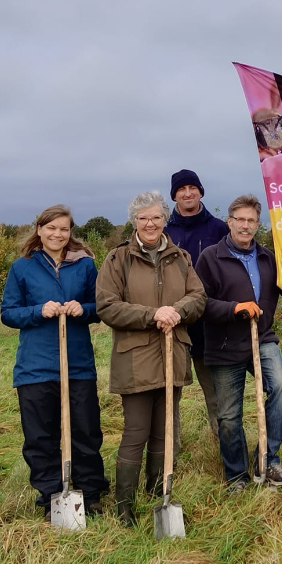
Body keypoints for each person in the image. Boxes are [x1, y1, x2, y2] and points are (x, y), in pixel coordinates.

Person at [95, 191, 206, 526]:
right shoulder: (118, 259)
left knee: (165, 431)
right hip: (136, 360)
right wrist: (152, 315)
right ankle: (124, 506)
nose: (150, 223)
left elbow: (198, 297)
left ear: (164, 220)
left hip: (173, 355)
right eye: (143, 218)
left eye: (156, 217)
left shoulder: (181, 257)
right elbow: (107, 306)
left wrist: (177, 311)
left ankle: (158, 493)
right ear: (134, 221)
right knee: (136, 431)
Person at [0, 205, 108, 520]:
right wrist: (37, 311)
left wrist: (82, 309)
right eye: (52, 228)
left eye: (64, 229)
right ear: (39, 230)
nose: (58, 234)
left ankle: (90, 493)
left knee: (85, 430)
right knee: (40, 436)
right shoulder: (22, 268)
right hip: (35, 367)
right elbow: (8, 312)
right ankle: (51, 495)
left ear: (70, 232)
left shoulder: (85, 265)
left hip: (77, 364)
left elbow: (100, 307)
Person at [195, 194, 282, 492]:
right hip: (224, 344)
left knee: (281, 385)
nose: (245, 225)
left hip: (262, 338)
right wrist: (234, 308)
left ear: (257, 224)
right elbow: (200, 303)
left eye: (251, 220)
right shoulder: (211, 258)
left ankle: (269, 458)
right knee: (228, 416)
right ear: (229, 222)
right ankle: (237, 475)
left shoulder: (267, 257)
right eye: (239, 219)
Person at [165, 169, 230, 441]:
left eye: (193, 187)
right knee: (169, 394)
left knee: (216, 394)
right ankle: (169, 455)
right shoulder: (164, 232)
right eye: (182, 189)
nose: (188, 193)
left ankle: (225, 451)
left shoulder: (218, 228)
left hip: (209, 324)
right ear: (174, 195)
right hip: (172, 323)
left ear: (201, 191)